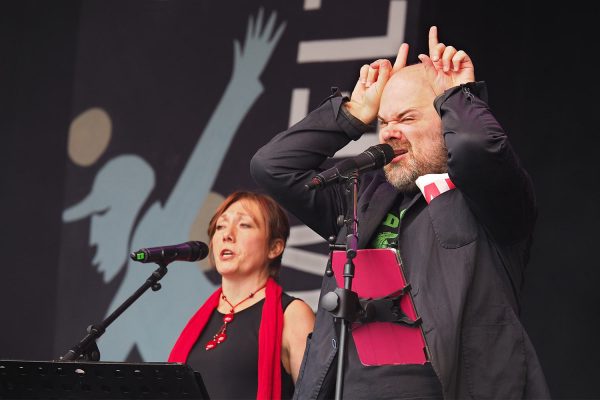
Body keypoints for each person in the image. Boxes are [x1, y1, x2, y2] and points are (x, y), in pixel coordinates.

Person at [250, 26, 550, 399]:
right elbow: (273, 167)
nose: (389, 132)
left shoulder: (488, 198)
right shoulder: (362, 198)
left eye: (406, 119)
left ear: (448, 123)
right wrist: (353, 114)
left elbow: (479, 149)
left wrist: (460, 96)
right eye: (384, 122)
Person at [168, 190, 315, 400]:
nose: (227, 234)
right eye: (220, 226)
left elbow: (317, 395)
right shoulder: (201, 318)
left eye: (244, 225)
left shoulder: (293, 314)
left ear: (274, 247)